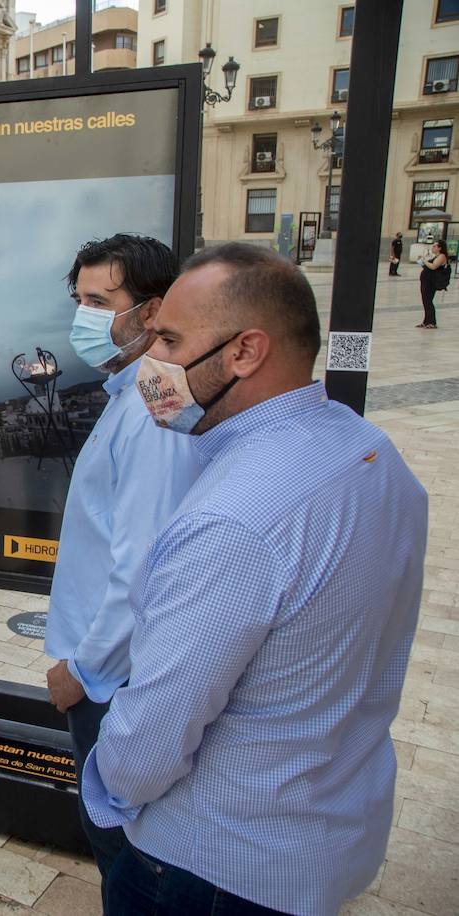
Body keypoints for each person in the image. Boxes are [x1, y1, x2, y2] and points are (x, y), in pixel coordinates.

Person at [86, 244, 428, 915]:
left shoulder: (234, 517)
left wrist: (107, 785)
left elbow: (155, 734)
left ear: (246, 352)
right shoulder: (370, 452)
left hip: (210, 867)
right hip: (325, 842)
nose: (152, 356)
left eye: (172, 338)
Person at [45, 234, 201, 877]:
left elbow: (143, 563)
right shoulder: (134, 392)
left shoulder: (151, 411)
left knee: (123, 850)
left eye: (99, 300)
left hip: (112, 680)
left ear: (151, 310)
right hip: (110, 671)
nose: (84, 316)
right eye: (78, 299)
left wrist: (83, 670)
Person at [418, 238, 448, 329]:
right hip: (426, 281)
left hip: (432, 283)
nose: (433, 247)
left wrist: (424, 261)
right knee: (425, 301)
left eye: (434, 246)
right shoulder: (435, 256)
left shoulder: (442, 256)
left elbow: (434, 266)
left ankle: (432, 322)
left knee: (428, 301)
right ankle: (426, 321)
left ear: (440, 248)